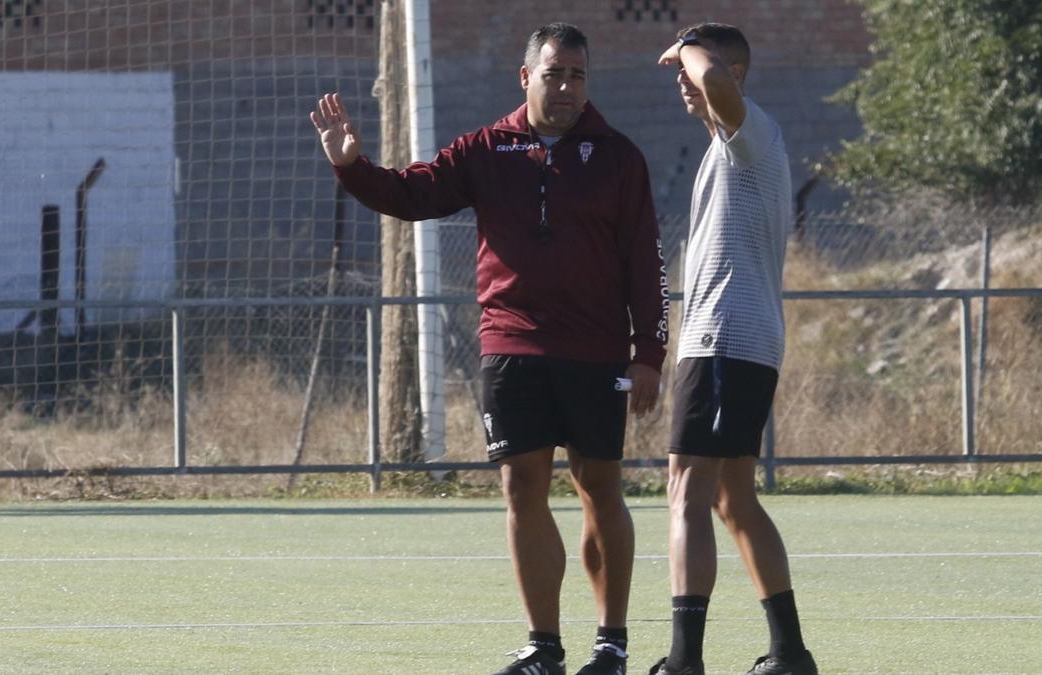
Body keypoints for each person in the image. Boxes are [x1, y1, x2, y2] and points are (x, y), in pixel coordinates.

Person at [309, 22, 669, 675]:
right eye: (554, 74)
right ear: (526, 77)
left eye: (578, 76)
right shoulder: (485, 149)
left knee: (598, 487)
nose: (567, 88)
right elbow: (411, 193)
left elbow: (645, 260)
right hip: (511, 349)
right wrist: (351, 167)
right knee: (521, 487)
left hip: (595, 353)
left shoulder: (620, 157)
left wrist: (649, 351)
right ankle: (544, 647)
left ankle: (611, 646)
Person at [646, 23, 817, 675]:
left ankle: (684, 660)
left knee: (686, 488)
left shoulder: (751, 133)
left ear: (734, 75)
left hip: (726, 338)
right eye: (680, 73)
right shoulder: (730, 146)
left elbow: (714, 76)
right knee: (732, 499)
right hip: (733, 340)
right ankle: (790, 653)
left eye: (691, 70)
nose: (684, 80)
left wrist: (689, 46)